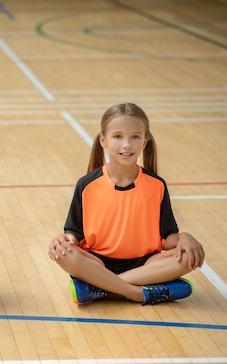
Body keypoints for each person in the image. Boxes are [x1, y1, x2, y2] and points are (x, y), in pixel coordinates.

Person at [48, 103, 204, 305]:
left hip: (145, 264)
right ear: (103, 141)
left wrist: (186, 238)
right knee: (64, 255)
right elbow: (74, 236)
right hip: (97, 263)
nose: (127, 144)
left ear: (145, 142)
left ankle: (101, 288)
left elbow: (167, 238)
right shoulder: (86, 185)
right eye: (118, 136)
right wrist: (61, 241)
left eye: (135, 137)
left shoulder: (156, 185)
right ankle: (137, 293)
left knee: (188, 257)